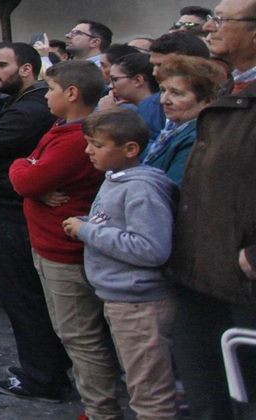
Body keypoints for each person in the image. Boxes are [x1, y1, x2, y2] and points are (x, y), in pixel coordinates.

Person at [10, 60, 123, 420]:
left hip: (64, 248)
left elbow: (25, 178)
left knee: (79, 334)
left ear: (71, 93)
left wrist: (28, 175)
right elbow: (29, 170)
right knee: (73, 330)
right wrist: (30, 174)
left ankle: (100, 409)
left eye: (52, 90)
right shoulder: (63, 129)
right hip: (51, 241)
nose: (46, 96)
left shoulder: (76, 138)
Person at [0, 42, 69, 402]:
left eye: (2, 65)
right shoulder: (24, 103)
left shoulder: (32, 110)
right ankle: (42, 368)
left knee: (22, 296)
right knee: (23, 295)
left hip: (14, 211)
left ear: (26, 70)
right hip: (10, 204)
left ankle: (43, 376)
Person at [170, 0, 256, 419]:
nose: (210, 26)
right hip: (201, 272)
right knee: (208, 398)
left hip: (242, 284)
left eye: (223, 20)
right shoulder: (230, 89)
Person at [61, 109, 179, 420]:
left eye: (97, 145)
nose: (88, 151)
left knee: (150, 394)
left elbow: (151, 248)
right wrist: (89, 224)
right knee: (140, 382)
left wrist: (88, 231)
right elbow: (116, 224)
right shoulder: (115, 179)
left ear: (130, 149)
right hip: (121, 297)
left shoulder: (140, 188)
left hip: (139, 302)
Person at [142, 55, 225, 184]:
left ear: (207, 100)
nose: (163, 100)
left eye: (176, 93)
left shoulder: (199, 138)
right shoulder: (174, 128)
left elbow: (171, 191)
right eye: (163, 90)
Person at [107, 51, 164, 137]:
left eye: (115, 79)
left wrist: (112, 116)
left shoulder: (153, 108)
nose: (110, 86)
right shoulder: (148, 107)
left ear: (138, 80)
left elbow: (150, 148)